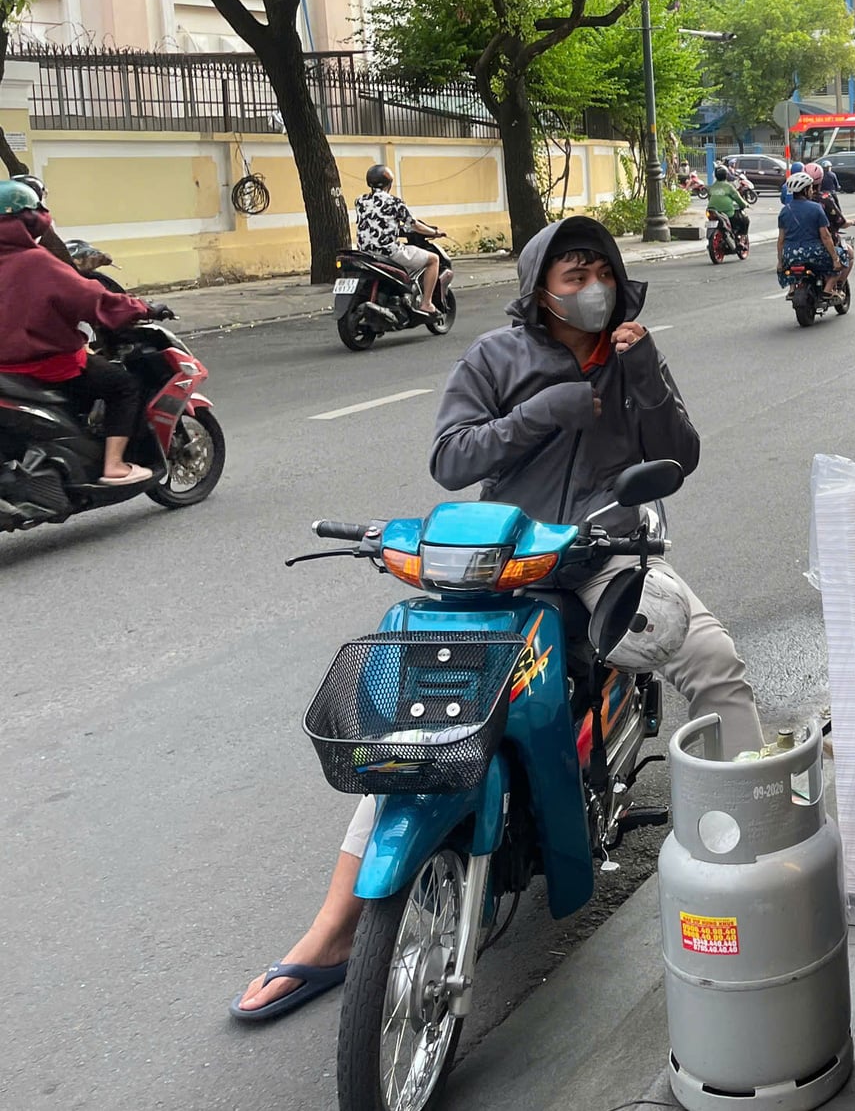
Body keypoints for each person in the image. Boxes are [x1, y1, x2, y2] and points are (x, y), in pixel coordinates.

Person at [234, 214, 762, 1021]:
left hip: (600, 552)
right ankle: (332, 931)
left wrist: (644, 369)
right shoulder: (496, 357)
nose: (591, 287)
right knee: (418, 733)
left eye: (601, 271)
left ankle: (750, 852)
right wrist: (543, 410)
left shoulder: (632, 353)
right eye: (572, 273)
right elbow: (452, 457)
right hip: (503, 564)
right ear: (539, 287)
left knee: (712, 660)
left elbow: (680, 455)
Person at [0, 180, 164, 485]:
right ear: (26, 221)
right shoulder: (36, 261)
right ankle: (114, 464)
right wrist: (141, 309)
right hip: (46, 365)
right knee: (123, 385)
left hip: (6, 373)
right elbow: (90, 298)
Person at [352, 164, 444, 317]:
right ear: (390, 183)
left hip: (365, 253)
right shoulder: (395, 203)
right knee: (433, 260)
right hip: (388, 252)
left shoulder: (360, 201)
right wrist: (435, 232)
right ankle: (427, 304)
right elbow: (414, 225)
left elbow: (376, 221)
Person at [775, 170, 847, 294]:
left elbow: (781, 240)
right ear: (806, 190)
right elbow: (825, 236)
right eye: (810, 188)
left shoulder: (784, 211)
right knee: (843, 257)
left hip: (790, 254)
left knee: (789, 268)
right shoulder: (816, 208)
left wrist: (780, 262)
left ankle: (792, 289)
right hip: (814, 253)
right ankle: (828, 290)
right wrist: (835, 258)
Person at [706, 168, 749, 248]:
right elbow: (738, 198)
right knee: (745, 220)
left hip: (711, 211)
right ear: (726, 176)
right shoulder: (729, 186)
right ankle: (741, 241)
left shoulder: (711, 187)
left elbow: (709, 198)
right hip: (727, 213)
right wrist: (744, 205)